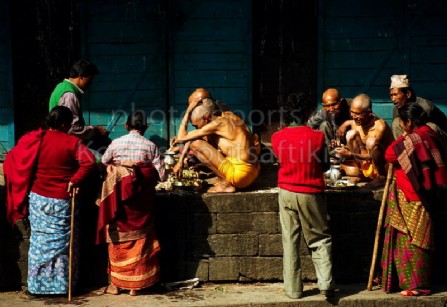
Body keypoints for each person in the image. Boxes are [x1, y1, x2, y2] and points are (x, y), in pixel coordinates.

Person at [3, 106, 97, 296]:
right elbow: (90, 162)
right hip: (63, 200)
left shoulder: (36, 139)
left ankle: (37, 287)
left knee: (39, 242)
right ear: (64, 123)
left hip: (38, 199)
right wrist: (74, 179)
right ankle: (62, 287)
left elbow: (12, 159)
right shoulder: (73, 143)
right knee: (62, 245)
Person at [271, 91, 335, 299]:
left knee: (290, 241)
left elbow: (282, 161)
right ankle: (325, 283)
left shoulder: (276, 137)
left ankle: (293, 290)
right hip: (310, 192)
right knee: (319, 238)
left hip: (286, 192)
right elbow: (325, 165)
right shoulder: (317, 137)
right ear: (309, 113)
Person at [380, 102, 447, 296]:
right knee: (407, 240)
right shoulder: (429, 133)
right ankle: (405, 281)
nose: (401, 126)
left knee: (417, 241)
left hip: (415, 197)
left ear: (408, 122)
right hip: (415, 196)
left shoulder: (413, 139)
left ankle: (418, 285)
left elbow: (390, 154)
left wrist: (402, 137)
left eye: (402, 122)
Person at [97, 110, 167, 296]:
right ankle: (135, 286)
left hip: (119, 204)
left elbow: (103, 162)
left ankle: (116, 285)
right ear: (145, 128)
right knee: (141, 239)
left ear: (127, 126)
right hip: (141, 204)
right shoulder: (151, 146)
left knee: (117, 241)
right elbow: (162, 175)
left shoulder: (116, 143)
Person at [172, 98, 260, 193]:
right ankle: (225, 181)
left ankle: (225, 184)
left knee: (196, 144)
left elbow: (182, 137)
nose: (196, 128)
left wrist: (188, 111)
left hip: (240, 174)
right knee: (198, 141)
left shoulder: (219, 123)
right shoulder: (228, 118)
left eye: (196, 125)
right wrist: (181, 160)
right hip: (252, 172)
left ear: (205, 118)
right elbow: (190, 138)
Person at [48, 59, 110, 152]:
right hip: (65, 143)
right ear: (81, 76)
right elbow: (73, 129)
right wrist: (95, 130)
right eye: (90, 79)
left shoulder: (61, 86)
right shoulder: (69, 95)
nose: (90, 83)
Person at [335, 94, 394, 188]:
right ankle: (363, 174)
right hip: (366, 163)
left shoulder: (380, 126)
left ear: (369, 112)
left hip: (383, 165)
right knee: (351, 134)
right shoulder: (356, 122)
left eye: (358, 114)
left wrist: (350, 154)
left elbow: (372, 154)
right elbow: (356, 144)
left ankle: (381, 178)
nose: (353, 116)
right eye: (352, 112)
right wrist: (340, 147)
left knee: (371, 142)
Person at [389, 74, 447, 139]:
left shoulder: (425, 107)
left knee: (431, 126)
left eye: (395, 94)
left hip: (439, 139)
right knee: (396, 123)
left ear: (408, 94)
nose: (393, 99)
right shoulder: (397, 109)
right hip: (414, 137)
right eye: (391, 95)